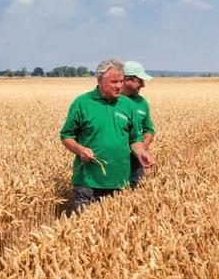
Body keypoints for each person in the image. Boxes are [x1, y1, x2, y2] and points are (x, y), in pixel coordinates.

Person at [60, 59, 155, 212]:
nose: (119, 86)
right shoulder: (82, 103)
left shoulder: (128, 105)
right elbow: (66, 136)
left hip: (119, 181)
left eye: (121, 81)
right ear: (99, 80)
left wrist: (141, 153)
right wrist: (80, 150)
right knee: (82, 230)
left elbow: (135, 140)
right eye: (114, 82)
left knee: (112, 233)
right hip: (87, 181)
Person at [120, 60, 155, 188]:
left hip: (136, 160)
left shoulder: (141, 102)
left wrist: (141, 148)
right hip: (115, 160)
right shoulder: (112, 101)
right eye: (140, 81)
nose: (143, 85)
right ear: (127, 80)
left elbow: (149, 130)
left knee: (135, 192)